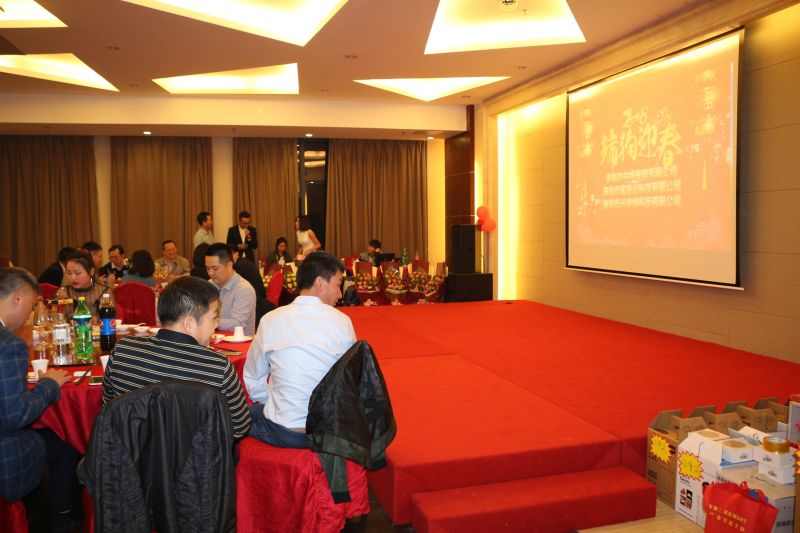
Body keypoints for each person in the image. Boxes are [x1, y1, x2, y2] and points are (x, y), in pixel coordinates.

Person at [102, 276, 251, 441]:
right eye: (214, 317)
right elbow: (239, 427)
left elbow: (108, 409)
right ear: (189, 324)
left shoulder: (122, 350)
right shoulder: (218, 367)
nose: (216, 324)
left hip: (129, 452)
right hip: (195, 456)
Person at [244, 252, 355, 448]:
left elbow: (253, 379)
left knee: (232, 414)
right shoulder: (342, 322)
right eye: (338, 285)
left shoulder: (270, 319)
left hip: (285, 432)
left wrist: (275, 402)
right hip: (327, 431)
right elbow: (351, 381)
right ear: (320, 283)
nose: (340, 294)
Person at [0, 268, 77, 532]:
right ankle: (61, 521)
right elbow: (16, 415)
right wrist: (49, 384)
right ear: (17, 298)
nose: (29, 316)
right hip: (5, 452)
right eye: (32, 306)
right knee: (65, 444)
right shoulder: (9, 345)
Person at [205, 243, 256, 337]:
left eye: (215, 269)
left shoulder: (243, 289)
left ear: (229, 266)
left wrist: (209, 321)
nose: (210, 273)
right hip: (213, 339)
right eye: (208, 268)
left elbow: (238, 324)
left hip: (239, 343)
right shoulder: (210, 285)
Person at [62, 251, 114, 316]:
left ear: (91, 271)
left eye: (77, 273)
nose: (72, 278)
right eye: (69, 273)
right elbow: (56, 319)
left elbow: (112, 320)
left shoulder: (105, 292)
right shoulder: (64, 292)